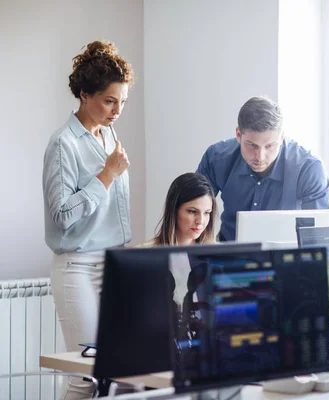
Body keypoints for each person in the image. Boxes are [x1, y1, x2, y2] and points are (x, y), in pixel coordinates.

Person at [42, 40, 134, 399]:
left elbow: (114, 207)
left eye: (122, 101)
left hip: (114, 262)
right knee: (86, 377)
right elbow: (62, 215)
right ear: (84, 94)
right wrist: (107, 176)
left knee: (121, 373)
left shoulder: (109, 134)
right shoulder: (63, 144)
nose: (117, 110)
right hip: (77, 266)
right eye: (110, 100)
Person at [196, 96, 329, 241]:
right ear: (238, 135)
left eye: (269, 146)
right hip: (229, 255)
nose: (260, 156)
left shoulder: (309, 169)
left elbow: (318, 235)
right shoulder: (216, 158)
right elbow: (192, 213)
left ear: (281, 137)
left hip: (285, 257)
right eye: (252, 145)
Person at [147, 172, 217, 246]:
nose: (200, 221)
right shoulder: (145, 253)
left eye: (207, 213)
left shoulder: (219, 254)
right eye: (192, 211)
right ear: (174, 210)